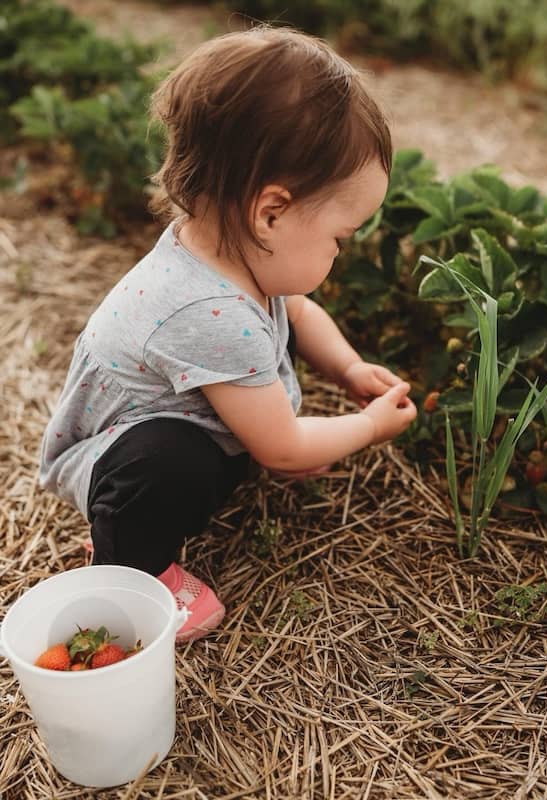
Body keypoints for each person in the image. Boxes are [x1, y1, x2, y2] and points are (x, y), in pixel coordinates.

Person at [38, 25, 417, 643]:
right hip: (114, 459)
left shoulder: (231, 251)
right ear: (270, 212)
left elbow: (299, 312)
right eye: (340, 238)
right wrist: (370, 427)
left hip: (176, 422)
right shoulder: (203, 312)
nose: (340, 253)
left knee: (210, 445)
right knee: (172, 466)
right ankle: (132, 561)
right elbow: (284, 449)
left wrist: (347, 369)